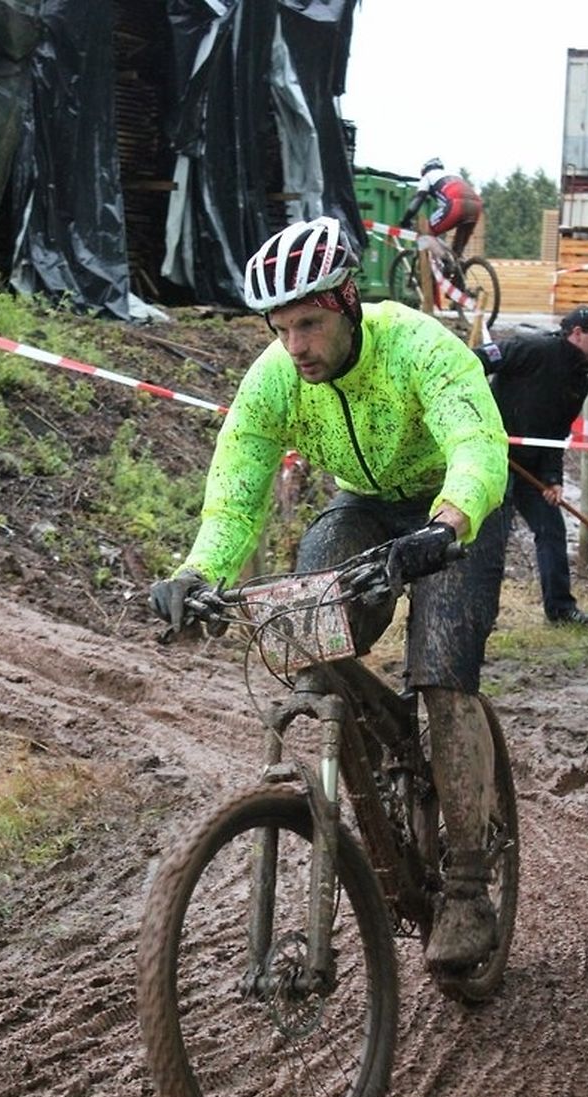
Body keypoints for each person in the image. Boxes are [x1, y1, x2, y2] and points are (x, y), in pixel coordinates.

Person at [149, 215, 509, 973]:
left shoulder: (417, 346)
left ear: (347, 302)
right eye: (281, 329)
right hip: (364, 509)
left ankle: (469, 887)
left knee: (443, 676)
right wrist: (198, 573)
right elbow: (236, 491)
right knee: (305, 640)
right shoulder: (274, 379)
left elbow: (476, 446)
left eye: (309, 324)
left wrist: (446, 526)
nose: (296, 346)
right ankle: (380, 760)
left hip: (453, 512)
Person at [474, 305, 588, 626]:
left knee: (551, 529)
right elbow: (478, 359)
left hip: (531, 467)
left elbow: (557, 432)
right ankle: (479, 614)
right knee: (494, 538)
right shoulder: (533, 348)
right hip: (493, 457)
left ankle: (561, 610)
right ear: (577, 334)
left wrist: (553, 478)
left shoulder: (579, 380)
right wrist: (470, 412)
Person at [399, 158, 483, 260]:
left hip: (456, 205)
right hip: (476, 205)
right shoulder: (455, 175)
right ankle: (458, 266)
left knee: (427, 234)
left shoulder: (428, 177)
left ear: (425, 170)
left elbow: (417, 201)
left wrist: (405, 220)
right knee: (457, 252)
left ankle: (445, 260)